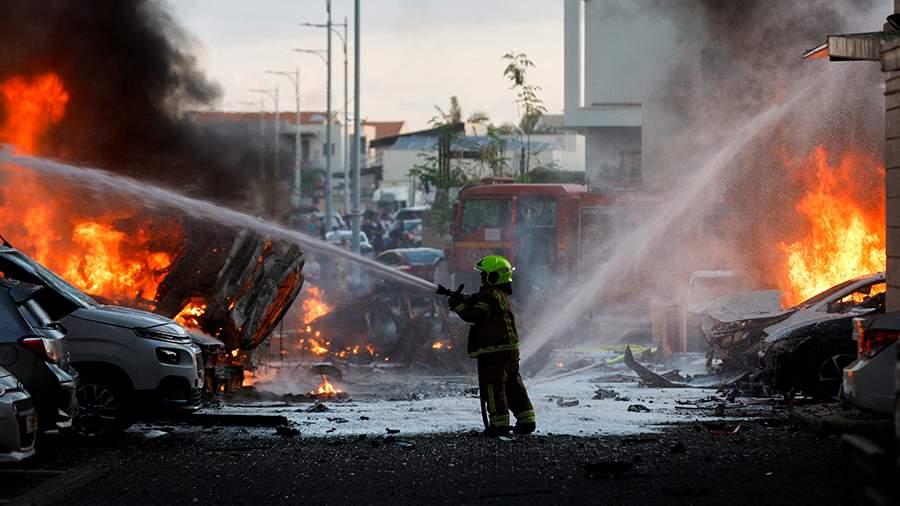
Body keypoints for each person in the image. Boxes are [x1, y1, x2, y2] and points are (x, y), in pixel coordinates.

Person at [447, 255, 535, 436]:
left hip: (493, 352)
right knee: (514, 387)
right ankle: (527, 421)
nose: (481, 278)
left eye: (483, 275)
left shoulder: (488, 295)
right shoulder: (500, 295)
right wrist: (466, 299)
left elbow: (475, 315)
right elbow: (482, 306)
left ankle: (499, 425)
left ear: (493, 276)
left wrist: (457, 306)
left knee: (493, 388)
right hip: (509, 350)